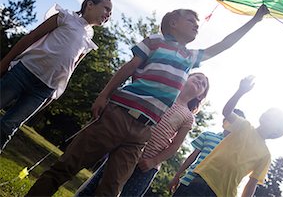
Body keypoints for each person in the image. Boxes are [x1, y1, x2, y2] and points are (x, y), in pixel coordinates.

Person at [27, 5, 269, 196]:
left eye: (198, 25)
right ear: (173, 23)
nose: (197, 27)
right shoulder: (155, 41)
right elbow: (128, 67)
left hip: (142, 133)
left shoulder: (191, 57)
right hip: (118, 115)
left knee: (111, 190)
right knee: (68, 165)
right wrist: (104, 95)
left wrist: (254, 20)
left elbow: (224, 44)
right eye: (191, 22)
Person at [0, 0, 112, 151]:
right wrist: (5, 62)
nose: (108, 15)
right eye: (106, 9)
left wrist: (53, 95)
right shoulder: (65, 16)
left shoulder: (89, 38)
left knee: (8, 127)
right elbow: (32, 36)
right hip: (24, 72)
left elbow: (70, 70)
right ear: (90, 4)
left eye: (110, 13)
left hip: (43, 90)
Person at [76, 72, 210, 197]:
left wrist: (154, 161)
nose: (199, 81)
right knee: (96, 185)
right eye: (197, 77)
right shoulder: (163, 96)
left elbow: (175, 146)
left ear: (200, 96)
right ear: (186, 78)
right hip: (126, 150)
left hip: (146, 165)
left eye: (203, 84)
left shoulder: (188, 117)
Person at [180, 76, 283, 197]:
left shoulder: (265, 155)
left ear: (275, 132)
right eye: (269, 111)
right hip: (202, 178)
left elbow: (251, 184)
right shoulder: (244, 125)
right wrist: (240, 91)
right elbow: (226, 112)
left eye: (274, 117)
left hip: (223, 193)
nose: (268, 114)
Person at [169, 109, 245, 196]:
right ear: (224, 120)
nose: (233, 123)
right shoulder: (208, 135)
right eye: (231, 119)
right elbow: (192, 157)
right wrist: (177, 175)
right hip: (189, 181)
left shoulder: (236, 149)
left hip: (210, 191)